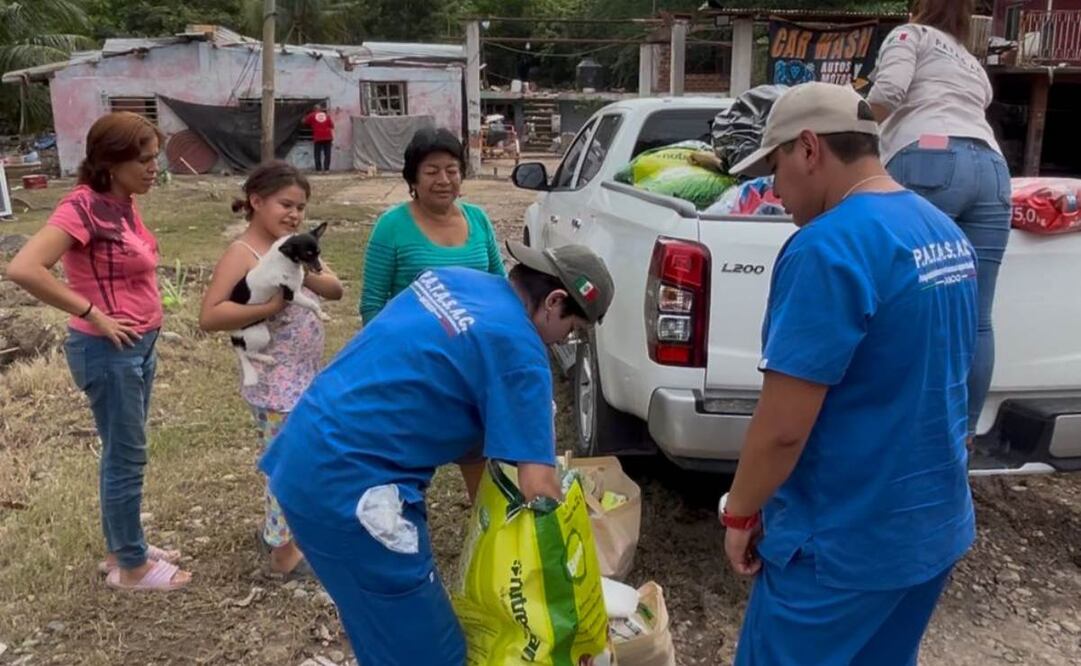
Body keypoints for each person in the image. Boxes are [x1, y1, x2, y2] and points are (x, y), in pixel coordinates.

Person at [258, 242, 613, 665]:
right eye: (572, 329)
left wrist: (488, 529)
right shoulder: (522, 353)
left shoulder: (454, 280)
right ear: (554, 303)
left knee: (380, 628)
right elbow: (540, 489)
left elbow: (467, 438)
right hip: (353, 494)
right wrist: (581, 568)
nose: (565, 341)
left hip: (301, 451)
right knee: (432, 653)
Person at [720, 82, 978, 665]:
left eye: (774, 167)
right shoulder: (943, 232)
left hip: (842, 544)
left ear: (809, 148)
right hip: (929, 531)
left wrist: (740, 510)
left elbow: (783, 427)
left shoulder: (826, 247)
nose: (771, 190)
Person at [5, 112, 192, 591]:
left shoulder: (123, 202)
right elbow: (25, 268)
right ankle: (132, 568)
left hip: (138, 346)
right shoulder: (82, 207)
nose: (155, 168)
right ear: (111, 163)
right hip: (109, 354)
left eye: (155, 157)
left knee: (121, 454)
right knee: (128, 457)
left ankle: (123, 546)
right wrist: (93, 312)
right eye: (144, 160)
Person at [868, 0, 1010, 440]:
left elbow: (888, 92)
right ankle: (960, 434)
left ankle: (901, 426)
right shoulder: (970, 61)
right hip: (992, 169)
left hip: (929, 156)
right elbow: (980, 101)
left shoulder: (910, 36)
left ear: (917, 8)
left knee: (907, 299)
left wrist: (848, 131)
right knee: (976, 316)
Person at [198, 161, 343, 576]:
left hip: (303, 379)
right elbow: (211, 315)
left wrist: (302, 271)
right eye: (286, 204)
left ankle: (280, 532)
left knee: (304, 460)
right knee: (289, 467)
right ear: (256, 202)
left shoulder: (294, 249)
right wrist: (270, 305)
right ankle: (282, 554)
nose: (295, 215)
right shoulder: (243, 253)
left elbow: (334, 290)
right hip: (275, 385)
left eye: (301, 207)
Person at [360, 126, 507, 499]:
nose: (444, 180)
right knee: (406, 462)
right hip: (413, 367)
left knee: (478, 451)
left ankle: (485, 531)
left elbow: (499, 289)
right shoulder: (391, 227)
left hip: (470, 366)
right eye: (431, 171)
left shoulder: (478, 220)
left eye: (451, 169)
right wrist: (387, 364)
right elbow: (372, 304)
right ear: (413, 178)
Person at [304, 103, 334, 172]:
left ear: (314, 109)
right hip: (328, 137)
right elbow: (332, 126)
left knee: (317, 154)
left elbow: (304, 122)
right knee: (327, 154)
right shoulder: (326, 115)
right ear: (320, 109)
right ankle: (326, 169)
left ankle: (319, 170)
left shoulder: (311, 115)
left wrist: (311, 124)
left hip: (318, 137)